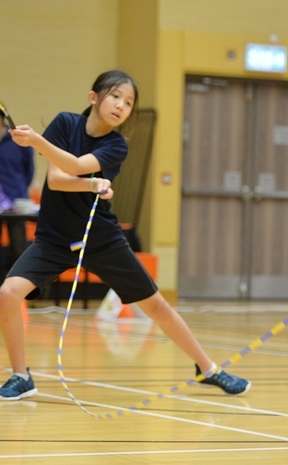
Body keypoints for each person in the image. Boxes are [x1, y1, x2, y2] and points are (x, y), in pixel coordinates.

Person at [0, 70, 250, 400]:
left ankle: (208, 369)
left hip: (100, 240)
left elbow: (74, 166)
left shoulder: (116, 145)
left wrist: (39, 144)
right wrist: (92, 182)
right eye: (115, 96)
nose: (121, 106)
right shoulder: (65, 124)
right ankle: (21, 376)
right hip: (54, 238)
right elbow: (58, 179)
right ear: (94, 97)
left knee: (157, 305)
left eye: (129, 102)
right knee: (8, 292)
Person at [0, 105, 35, 280]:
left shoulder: (16, 139)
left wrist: (20, 191)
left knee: (19, 248)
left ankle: (19, 289)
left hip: (16, 202)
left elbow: (29, 169)